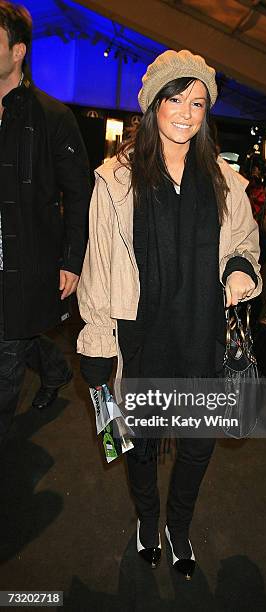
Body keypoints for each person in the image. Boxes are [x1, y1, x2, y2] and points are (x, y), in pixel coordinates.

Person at [77, 49, 262, 579]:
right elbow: (97, 268)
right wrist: (95, 351)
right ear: (153, 104)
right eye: (174, 98)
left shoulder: (225, 182)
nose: (185, 111)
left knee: (198, 450)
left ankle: (179, 527)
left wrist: (241, 268)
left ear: (207, 113)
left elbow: (246, 239)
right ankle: (148, 519)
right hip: (143, 341)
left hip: (203, 342)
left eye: (197, 102)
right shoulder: (115, 180)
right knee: (140, 448)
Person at [0, 1, 90, 444]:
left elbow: (79, 196)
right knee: (15, 334)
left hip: (26, 262)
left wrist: (73, 259)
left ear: (17, 52)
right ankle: (53, 367)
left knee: (7, 352)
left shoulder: (52, 116)